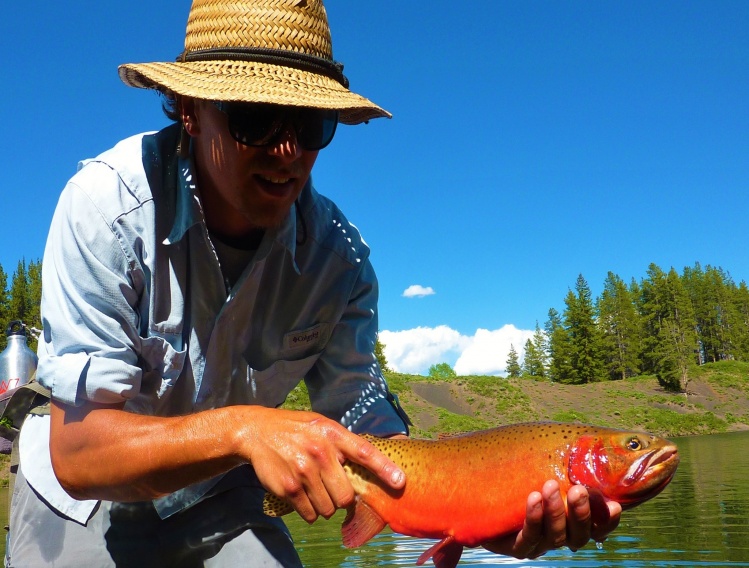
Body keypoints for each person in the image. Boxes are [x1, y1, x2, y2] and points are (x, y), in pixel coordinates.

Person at [7, 1, 621, 566]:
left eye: (310, 126)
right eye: (256, 118)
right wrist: (243, 428)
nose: (287, 149)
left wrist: (483, 507)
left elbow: (364, 421)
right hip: (78, 501)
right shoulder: (104, 209)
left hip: (223, 500)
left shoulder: (340, 263)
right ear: (190, 111)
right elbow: (80, 454)